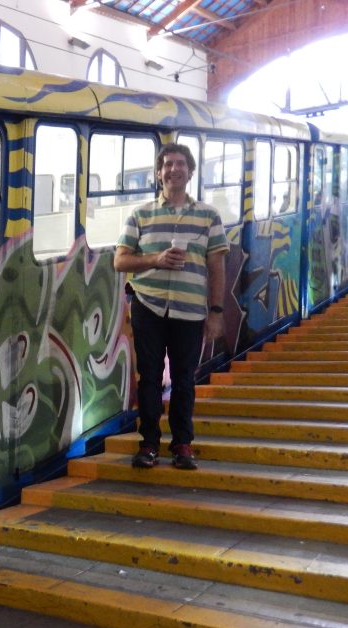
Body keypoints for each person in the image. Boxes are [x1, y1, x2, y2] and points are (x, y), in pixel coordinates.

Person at [114, 143, 228, 471]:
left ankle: (182, 444)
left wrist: (216, 312)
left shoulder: (208, 216)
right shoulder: (141, 214)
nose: (173, 169)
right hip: (148, 306)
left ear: (190, 172)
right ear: (158, 172)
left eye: (180, 164)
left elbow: (217, 265)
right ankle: (148, 443)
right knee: (148, 376)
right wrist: (155, 259)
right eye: (167, 164)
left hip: (190, 310)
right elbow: (120, 261)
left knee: (184, 379)